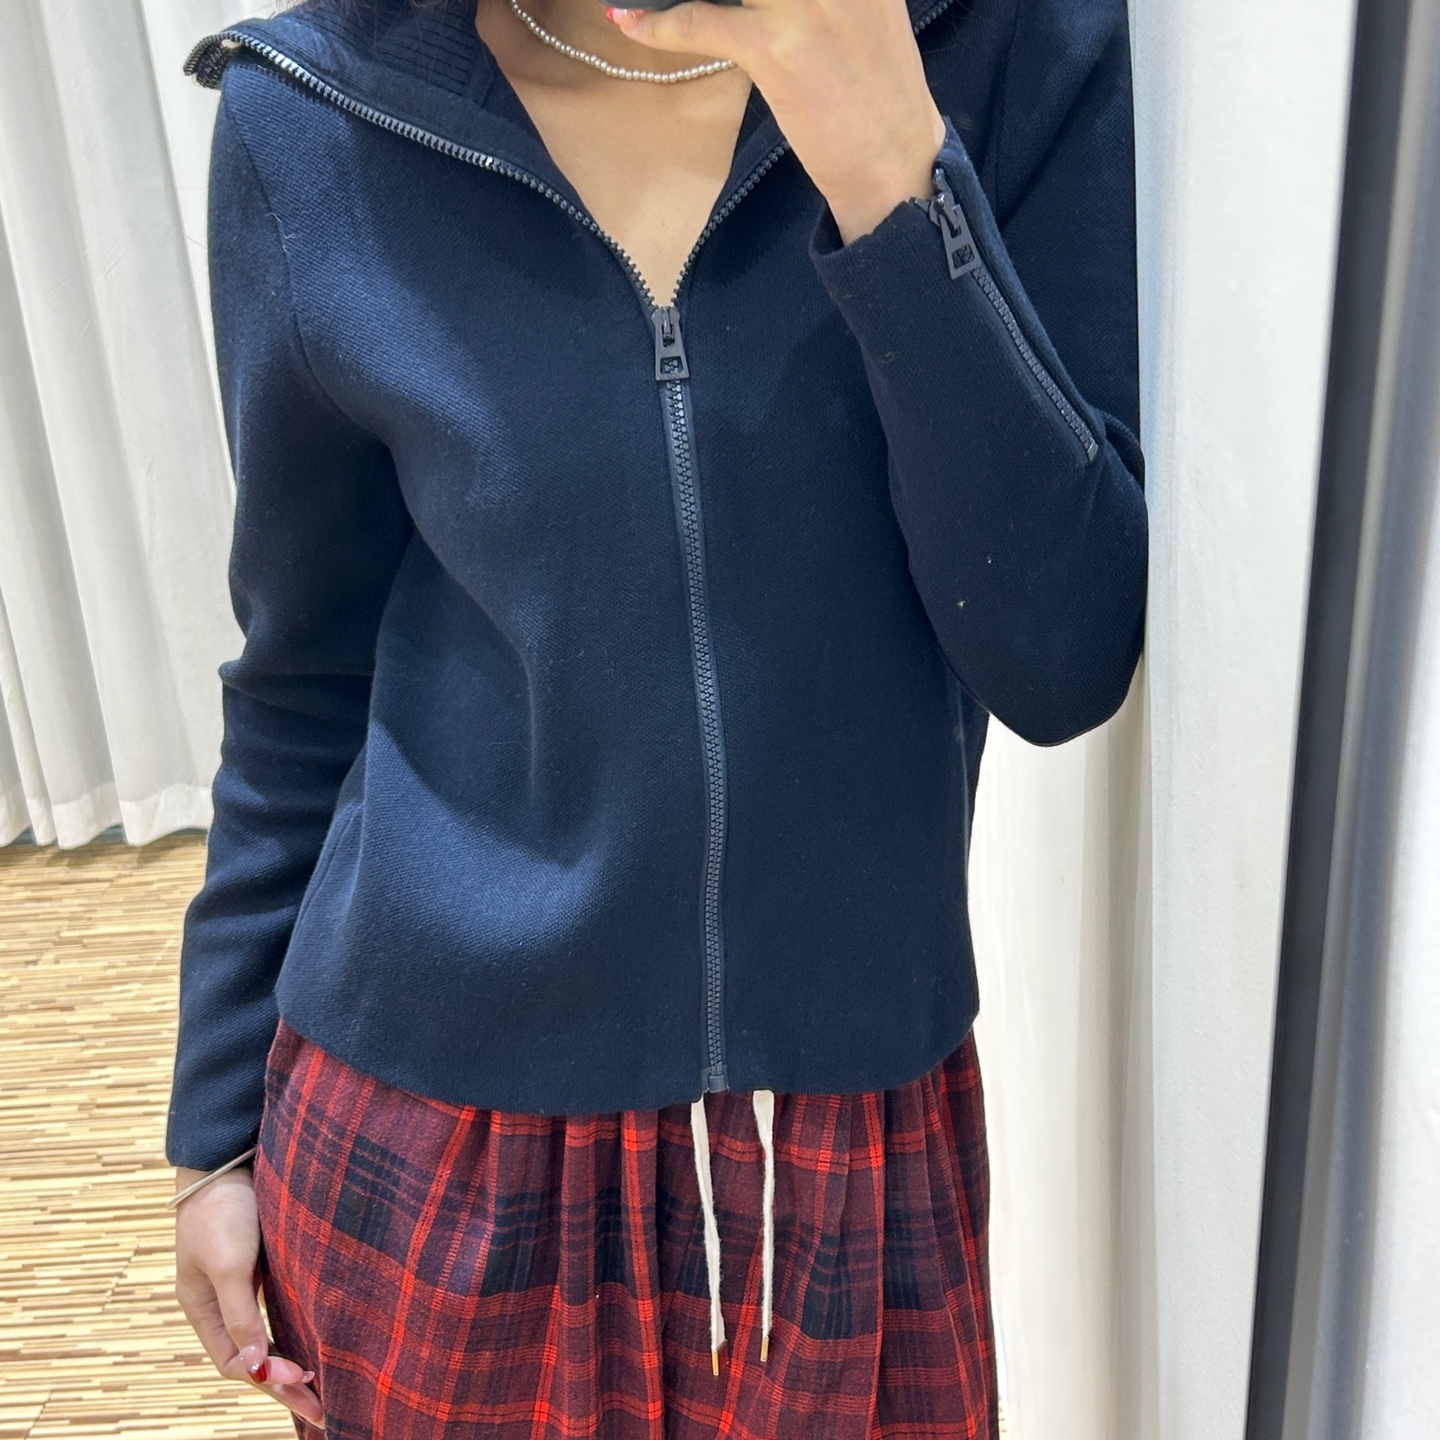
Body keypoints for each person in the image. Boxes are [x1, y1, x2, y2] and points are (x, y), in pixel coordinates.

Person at [165, 0, 1146, 1434]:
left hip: (843, 1154)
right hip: (441, 1146)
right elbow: (301, 676)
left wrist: (885, 151)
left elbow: (1062, 654)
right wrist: (214, 1130)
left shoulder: (1009, 54)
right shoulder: (318, 117)